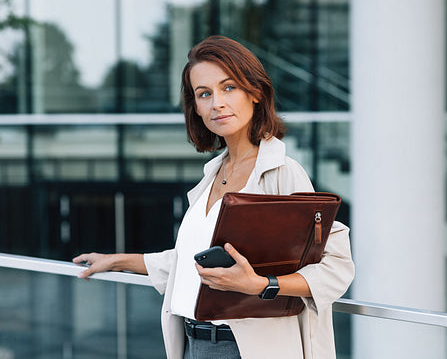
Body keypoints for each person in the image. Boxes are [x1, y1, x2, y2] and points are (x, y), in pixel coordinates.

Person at [73, 35, 355, 359]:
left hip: (245, 348)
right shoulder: (212, 175)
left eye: (229, 87)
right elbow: (190, 261)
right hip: (194, 343)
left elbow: (336, 267)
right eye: (204, 94)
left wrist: (262, 284)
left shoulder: (282, 172)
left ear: (255, 93)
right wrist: (117, 261)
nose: (216, 103)